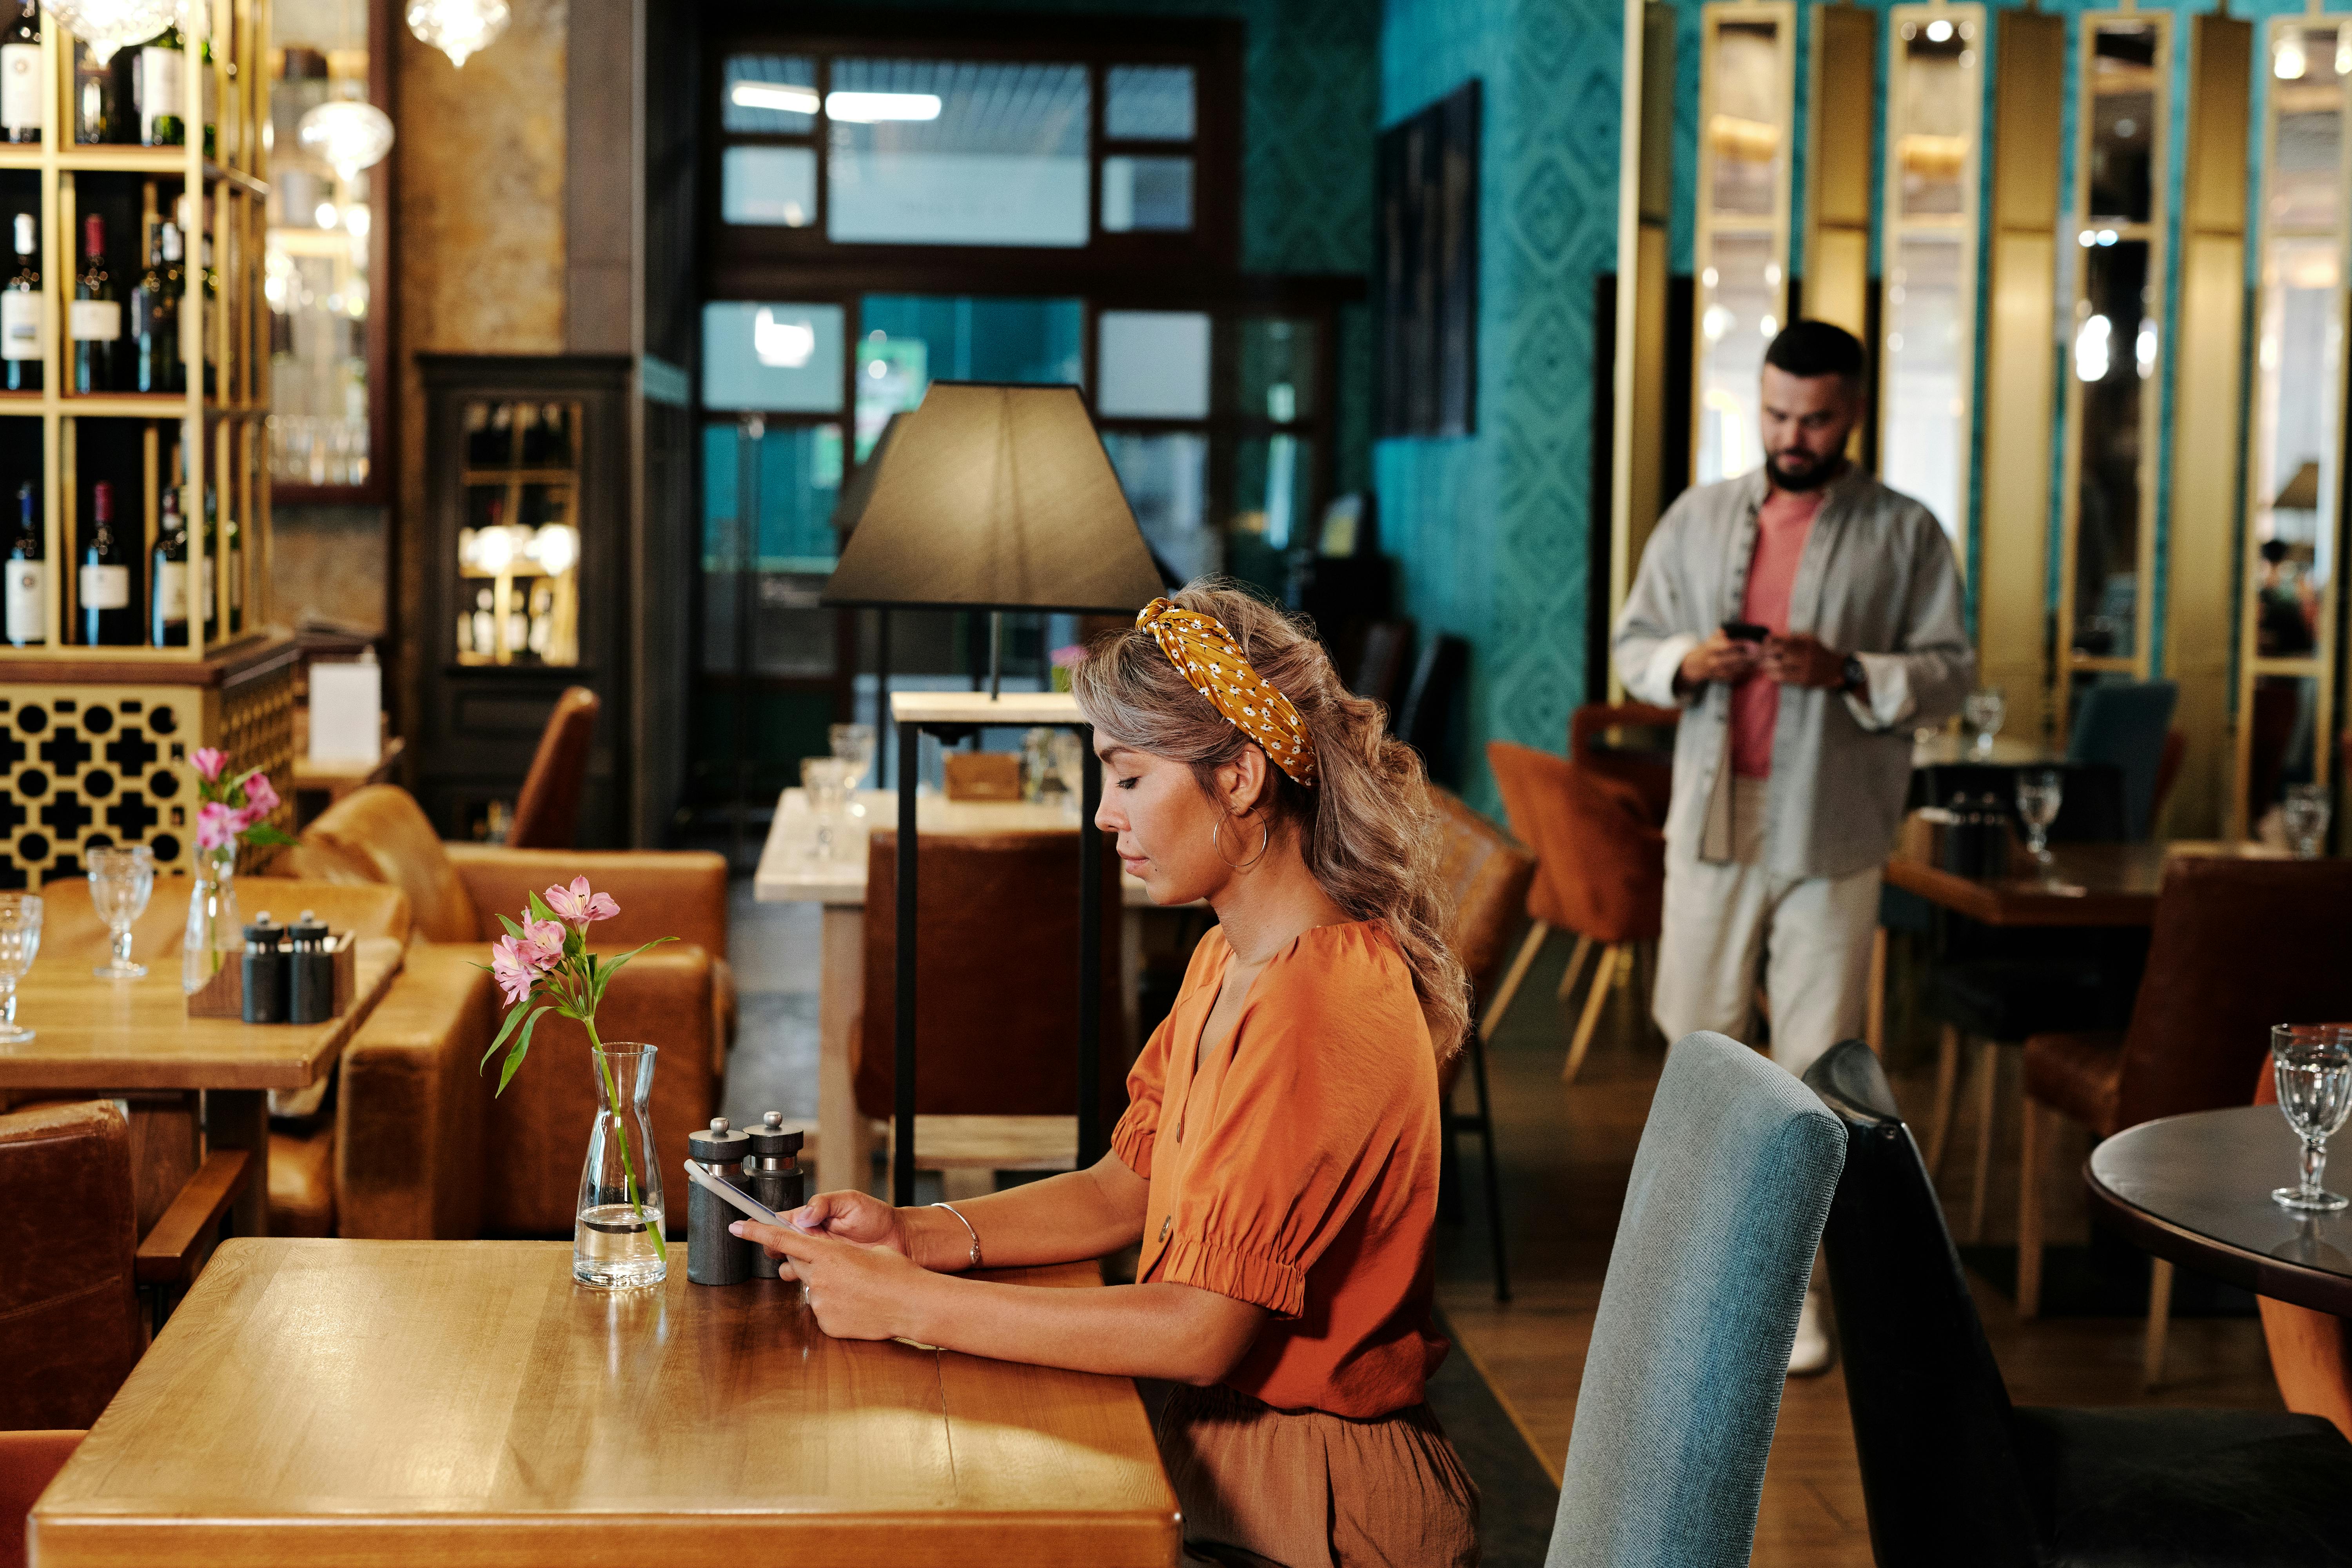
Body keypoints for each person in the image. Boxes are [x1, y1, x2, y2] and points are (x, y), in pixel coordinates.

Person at [733, 584, 1480, 1568]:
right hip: (1225, 1467)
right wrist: (911, 1233)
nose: (1102, 813)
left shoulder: (1314, 1001)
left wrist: (913, 1307)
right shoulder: (1234, 957)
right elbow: (1124, 1183)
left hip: (1316, 1514)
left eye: (1128, 778)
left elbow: (1200, 1329)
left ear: (1242, 778)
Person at [1613, 319, 1975, 1373]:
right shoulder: (1698, 518)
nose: (1793, 433)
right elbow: (1636, 643)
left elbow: (1950, 670)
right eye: (1776, 413)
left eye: (1814, 418)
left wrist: (1852, 671)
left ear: (1852, 412)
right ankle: (1689, 1278)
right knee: (1698, 1045)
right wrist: (1693, 661)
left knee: (1816, 1068)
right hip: (1718, 813)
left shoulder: (1906, 533)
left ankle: (1793, 1303)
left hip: (1836, 824)